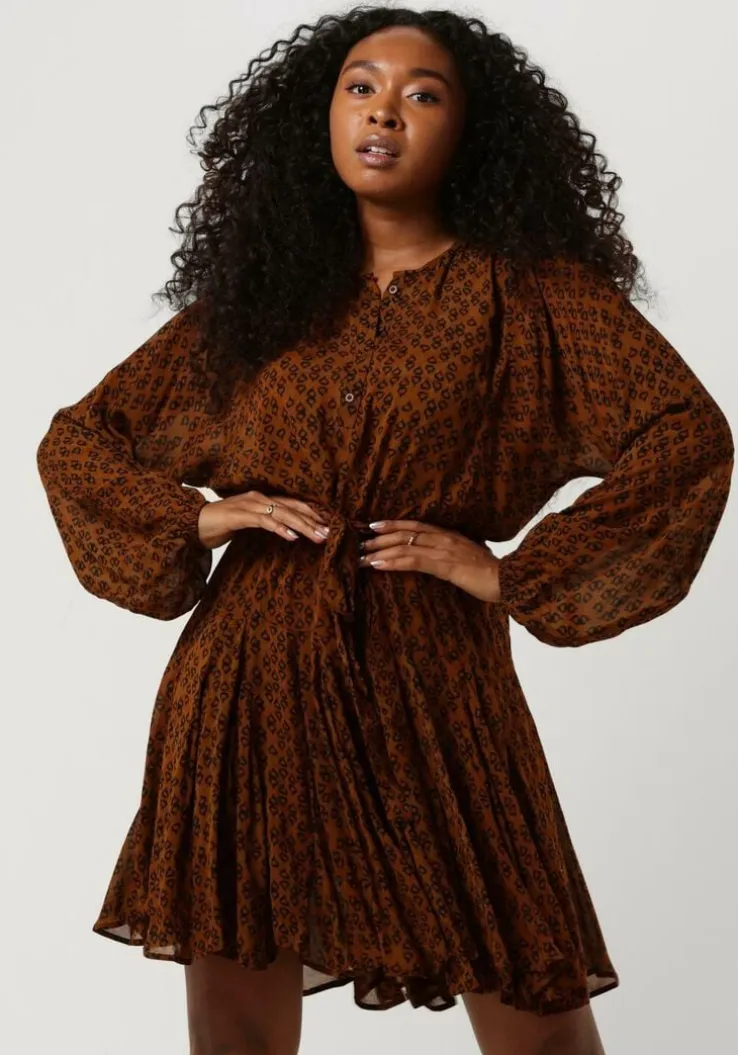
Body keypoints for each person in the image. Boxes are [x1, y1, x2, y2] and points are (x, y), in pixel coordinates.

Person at [35, 6, 734, 1055]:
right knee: (234, 1027)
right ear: (318, 116)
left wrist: (511, 574)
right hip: (250, 680)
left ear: (471, 129)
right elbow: (81, 441)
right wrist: (203, 516)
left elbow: (685, 435)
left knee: (537, 1015)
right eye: (360, 87)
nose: (384, 113)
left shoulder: (531, 296)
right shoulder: (259, 302)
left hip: (436, 679)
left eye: (422, 94)